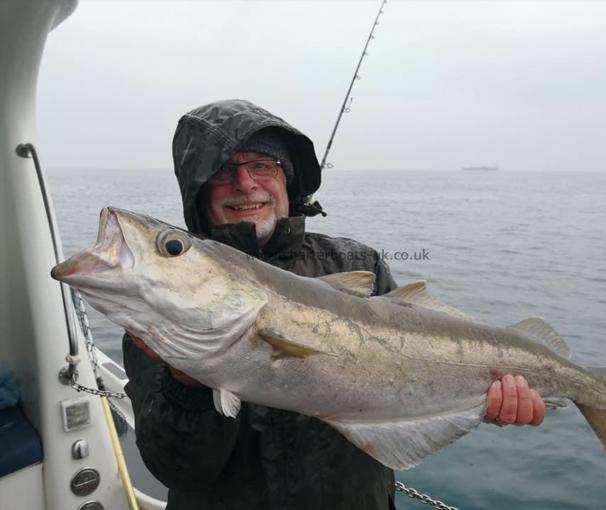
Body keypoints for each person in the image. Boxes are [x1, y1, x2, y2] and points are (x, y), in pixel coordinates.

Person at [123, 99, 545, 510]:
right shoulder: (160, 304)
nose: (246, 184)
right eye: (222, 171)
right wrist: (188, 384)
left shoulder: (357, 265)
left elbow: (413, 377)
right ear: (198, 190)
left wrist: (478, 401)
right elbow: (178, 469)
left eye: (262, 166)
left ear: (287, 178)